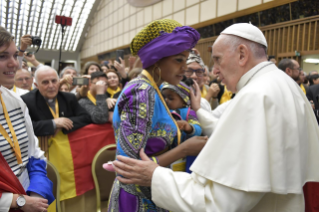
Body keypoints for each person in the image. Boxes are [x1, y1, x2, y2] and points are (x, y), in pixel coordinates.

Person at [111, 23, 319, 211]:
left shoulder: (256, 95)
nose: (215, 71)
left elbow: (220, 201)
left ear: (242, 54)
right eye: (179, 60)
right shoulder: (283, 84)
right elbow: (129, 161)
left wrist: (157, 175)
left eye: (217, 60)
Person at [107, 19, 207, 212]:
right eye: (178, 60)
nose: (184, 68)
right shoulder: (142, 93)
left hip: (153, 192)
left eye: (185, 60)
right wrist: (184, 150)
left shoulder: (156, 89)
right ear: (157, 59)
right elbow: (131, 167)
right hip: (137, 199)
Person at [0, 26, 54, 212]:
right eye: (2, 56)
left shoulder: (14, 101)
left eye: (15, 55)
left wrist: (37, 191)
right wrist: (15, 201)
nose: (14, 64)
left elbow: (34, 153)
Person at [20, 66, 92, 137]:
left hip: (65, 145)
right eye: (45, 82)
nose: (51, 86)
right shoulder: (26, 100)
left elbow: (86, 117)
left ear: (59, 81)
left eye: (54, 81)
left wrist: (64, 123)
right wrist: (53, 124)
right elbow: (22, 126)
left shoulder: (69, 97)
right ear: (36, 85)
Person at [161, 79, 202, 173]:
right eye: (164, 97)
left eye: (171, 98)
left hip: (183, 156)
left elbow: (198, 129)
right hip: (166, 153)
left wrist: (189, 127)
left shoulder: (188, 113)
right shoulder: (163, 112)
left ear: (184, 101)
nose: (166, 100)